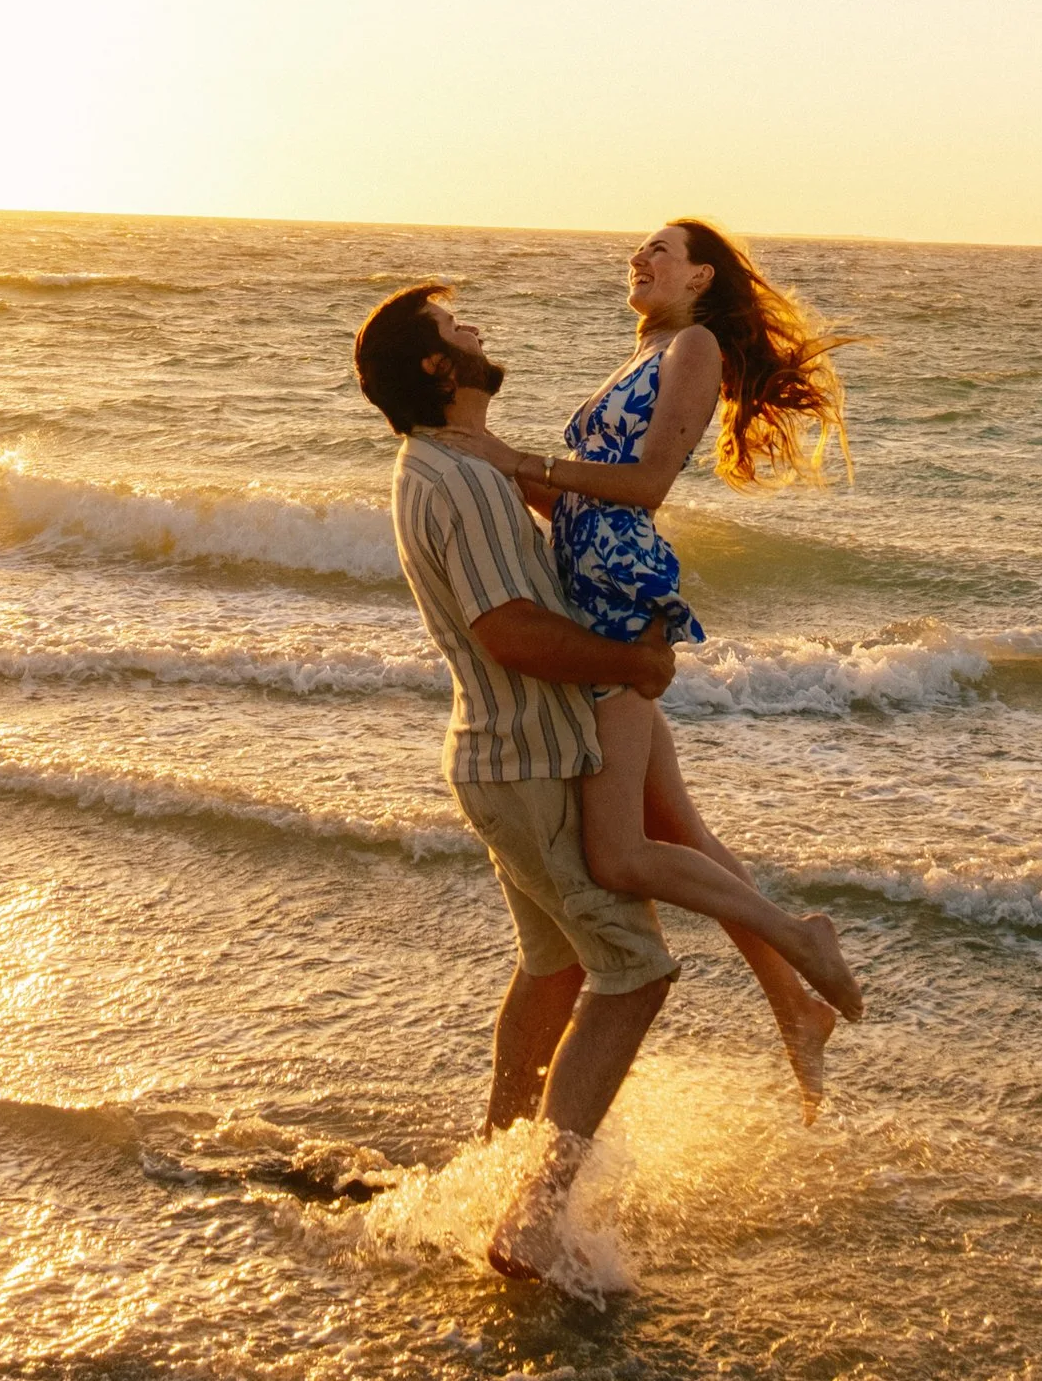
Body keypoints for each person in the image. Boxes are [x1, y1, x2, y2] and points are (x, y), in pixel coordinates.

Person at [467, 221, 863, 1115]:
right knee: (678, 834)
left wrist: (518, 460)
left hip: (616, 598)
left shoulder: (695, 346)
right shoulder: (644, 350)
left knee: (617, 854)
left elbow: (646, 488)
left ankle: (799, 939)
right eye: (637, 251)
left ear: (701, 277)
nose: (639, 259)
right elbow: (576, 494)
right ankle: (793, 1004)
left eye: (660, 251)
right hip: (591, 586)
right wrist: (491, 473)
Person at [354, 279, 682, 1281]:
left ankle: (492, 1168)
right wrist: (630, 664)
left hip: (507, 757)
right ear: (435, 368)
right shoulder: (451, 479)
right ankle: (531, 1220)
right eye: (458, 327)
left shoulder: (453, 467)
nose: (477, 331)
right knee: (636, 969)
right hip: (526, 761)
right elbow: (505, 629)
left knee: (554, 966)